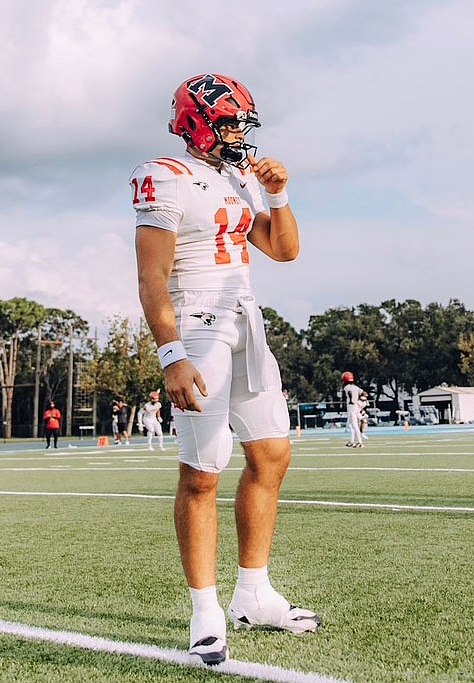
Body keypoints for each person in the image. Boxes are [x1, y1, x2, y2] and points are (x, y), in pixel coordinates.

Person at [133, 73, 320, 665]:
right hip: (196, 322)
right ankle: (205, 610)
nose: (238, 133)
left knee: (272, 454)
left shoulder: (241, 176)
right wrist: (171, 353)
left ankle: (254, 593)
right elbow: (151, 278)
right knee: (203, 471)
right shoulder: (166, 175)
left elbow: (284, 250)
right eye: (227, 121)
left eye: (242, 121)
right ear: (195, 122)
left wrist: (280, 194)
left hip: (244, 320)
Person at [342, 371, 364, 447]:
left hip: (351, 408)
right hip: (356, 407)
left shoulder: (346, 387)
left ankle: (360, 442)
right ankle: (352, 441)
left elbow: (349, 392)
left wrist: (351, 400)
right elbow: (364, 393)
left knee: (354, 425)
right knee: (351, 426)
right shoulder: (356, 387)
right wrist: (361, 400)